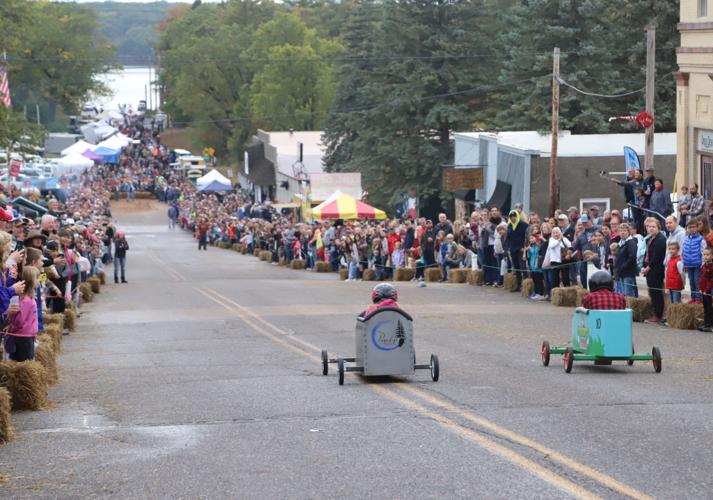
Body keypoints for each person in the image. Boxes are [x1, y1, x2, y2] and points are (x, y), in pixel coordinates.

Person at [3, 266, 39, 362]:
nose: (38, 280)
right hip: (22, 338)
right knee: (23, 362)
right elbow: (19, 321)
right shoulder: (26, 301)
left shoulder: (28, 298)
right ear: (31, 281)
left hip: (27, 335)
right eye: (36, 278)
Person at [642, 218, 667, 323]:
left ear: (658, 227)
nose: (651, 229)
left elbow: (657, 256)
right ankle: (656, 313)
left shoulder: (661, 239)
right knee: (652, 292)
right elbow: (647, 254)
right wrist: (644, 266)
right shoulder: (649, 239)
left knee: (656, 293)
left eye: (653, 227)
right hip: (649, 269)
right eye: (649, 227)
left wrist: (648, 267)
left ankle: (658, 315)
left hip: (656, 270)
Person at [682, 219, 706, 303]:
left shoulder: (700, 239)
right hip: (688, 264)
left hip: (697, 265)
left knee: (697, 282)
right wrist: (684, 263)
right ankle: (693, 297)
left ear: (697, 227)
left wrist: (703, 264)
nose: (691, 229)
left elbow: (703, 253)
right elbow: (683, 251)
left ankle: (698, 298)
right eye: (689, 227)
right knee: (691, 282)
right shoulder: (686, 239)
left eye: (693, 227)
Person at [506, 210, 528, 292]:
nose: (513, 218)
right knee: (516, 268)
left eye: (514, 216)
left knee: (523, 267)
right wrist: (508, 247)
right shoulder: (509, 226)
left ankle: (526, 285)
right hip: (513, 249)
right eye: (511, 217)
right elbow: (508, 237)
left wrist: (525, 246)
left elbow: (528, 235)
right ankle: (518, 285)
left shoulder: (523, 225)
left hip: (521, 249)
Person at [698, 247, 713, 332]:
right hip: (703, 291)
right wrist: (700, 288)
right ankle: (706, 323)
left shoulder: (711, 267)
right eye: (704, 254)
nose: (705, 256)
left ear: (712, 256)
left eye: (708, 255)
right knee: (706, 307)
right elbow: (702, 279)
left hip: (709, 291)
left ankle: (710, 325)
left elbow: (711, 281)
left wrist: (706, 290)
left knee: (710, 308)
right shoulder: (703, 266)